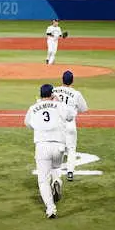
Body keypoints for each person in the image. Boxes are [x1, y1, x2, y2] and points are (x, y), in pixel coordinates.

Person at [24, 83, 74, 218]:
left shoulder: (33, 107)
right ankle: (57, 180)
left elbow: (27, 123)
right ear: (52, 94)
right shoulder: (59, 105)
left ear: (40, 95)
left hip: (42, 146)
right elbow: (71, 116)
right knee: (56, 166)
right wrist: (58, 101)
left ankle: (51, 209)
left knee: (43, 179)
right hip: (59, 146)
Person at [52, 70, 89, 181]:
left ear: (62, 79)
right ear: (72, 81)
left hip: (57, 125)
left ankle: (55, 173)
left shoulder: (54, 91)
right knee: (71, 149)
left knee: (58, 149)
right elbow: (84, 109)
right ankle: (70, 173)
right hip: (70, 125)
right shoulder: (76, 93)